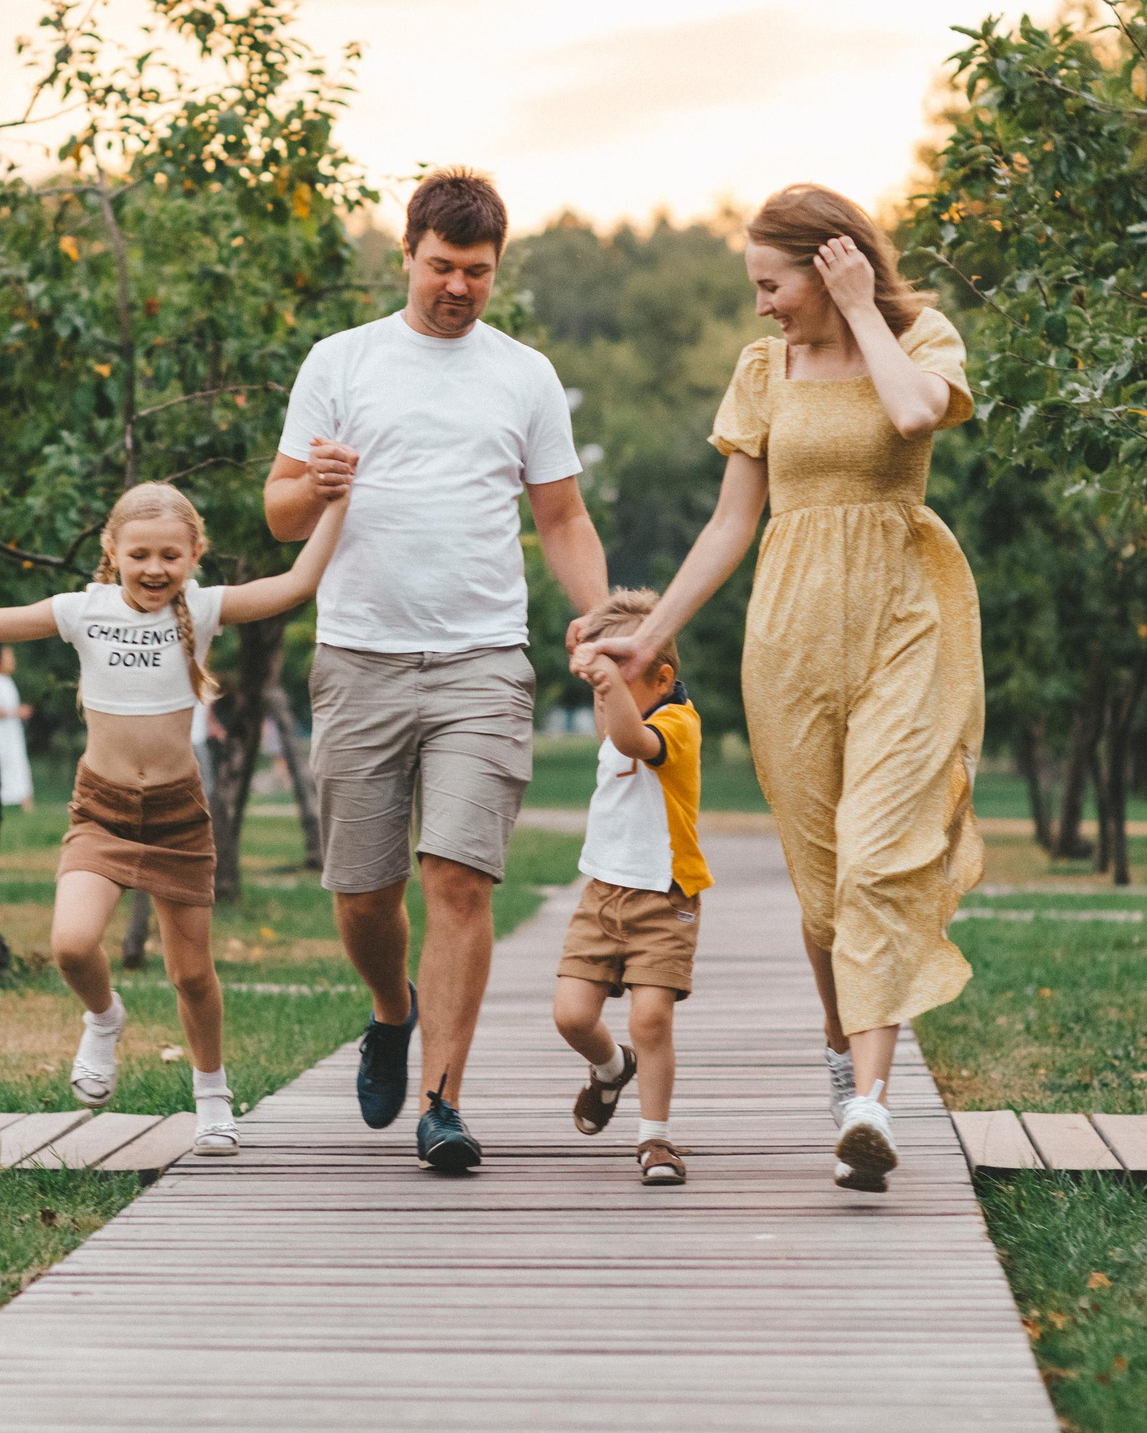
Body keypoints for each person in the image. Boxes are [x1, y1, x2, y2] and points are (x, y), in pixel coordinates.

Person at [582, 183, 982, 1195]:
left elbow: (912, 411)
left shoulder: (919, 337)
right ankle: (846, 1048)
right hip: (789, 639)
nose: (760, 305)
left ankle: (870, 1105)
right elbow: (730, 524)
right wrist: (650, 640)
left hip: (903, 621)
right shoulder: (764, 368)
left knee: (877, 866)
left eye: (773, 283)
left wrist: (860, 311)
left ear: (831, 264)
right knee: (820, 897)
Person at [0, 481, 348, 1157]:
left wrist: (341, 498)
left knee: (192, 974)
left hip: (176, 815)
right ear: (113, 551)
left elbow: (295, 582)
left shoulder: (205, 605)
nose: (155, 567)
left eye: (171, 553)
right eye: (140, 554)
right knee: (73, 944)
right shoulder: (83, 609)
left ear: (196, 553)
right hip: (102, 810)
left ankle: (213, 1098)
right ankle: (105, 1019)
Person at [264, 166, 608, 1174]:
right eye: (442, 266)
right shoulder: (341, 362)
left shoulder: (524, 375)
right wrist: (308, 487)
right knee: (365, 891)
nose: (458, 286)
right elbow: (279, 512)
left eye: (480, 272)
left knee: (457, 878)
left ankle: (443, 1102)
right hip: (359, 654)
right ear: (407, 252)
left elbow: (562, 517)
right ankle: (389, 1008)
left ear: (499, 270)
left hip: (483, 660)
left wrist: (604, 622)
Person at [551, 589, 706, 1187]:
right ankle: (612, 1069)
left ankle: (655, 1137)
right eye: (600, 685)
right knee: (571, 1017)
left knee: (651, 1019)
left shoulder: (678, 723)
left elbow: (633, 742)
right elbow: (612, 730)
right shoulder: (620, 708)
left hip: (665, 898)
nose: (605, 693)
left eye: (622, 678)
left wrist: (611, 683)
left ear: (662, 678)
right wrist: (597, 664)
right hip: (602, 895)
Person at [0, 647, 34, 811]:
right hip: (0, 735)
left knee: (19, 766)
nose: (12, 660)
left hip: (12, 734)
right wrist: (16, 712)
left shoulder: (7, 681)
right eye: (8, 657)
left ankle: (26, 804)